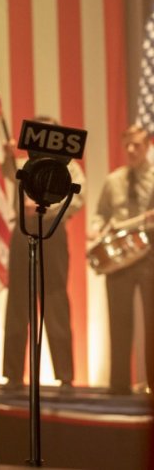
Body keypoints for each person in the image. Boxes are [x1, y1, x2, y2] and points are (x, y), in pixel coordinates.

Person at [2, 116, 84, 389]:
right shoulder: (20, 162)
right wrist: (5, 157)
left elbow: (78, 198)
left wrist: (48, 208)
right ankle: (13, 374)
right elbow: (4, 183)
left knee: (55, 298)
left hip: (52, 231)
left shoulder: (69, 166)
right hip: (22, 231)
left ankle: (65, 375)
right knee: (17, 301)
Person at [90, 125, 154, 394]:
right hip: (118, 257)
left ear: (147, 144)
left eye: (137, 145)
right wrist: (95, 228)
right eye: (127, 145)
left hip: (150, 256)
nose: (131, 150)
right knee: (119, 321)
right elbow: (101, 214)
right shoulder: (113, 180)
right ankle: (118, 385)